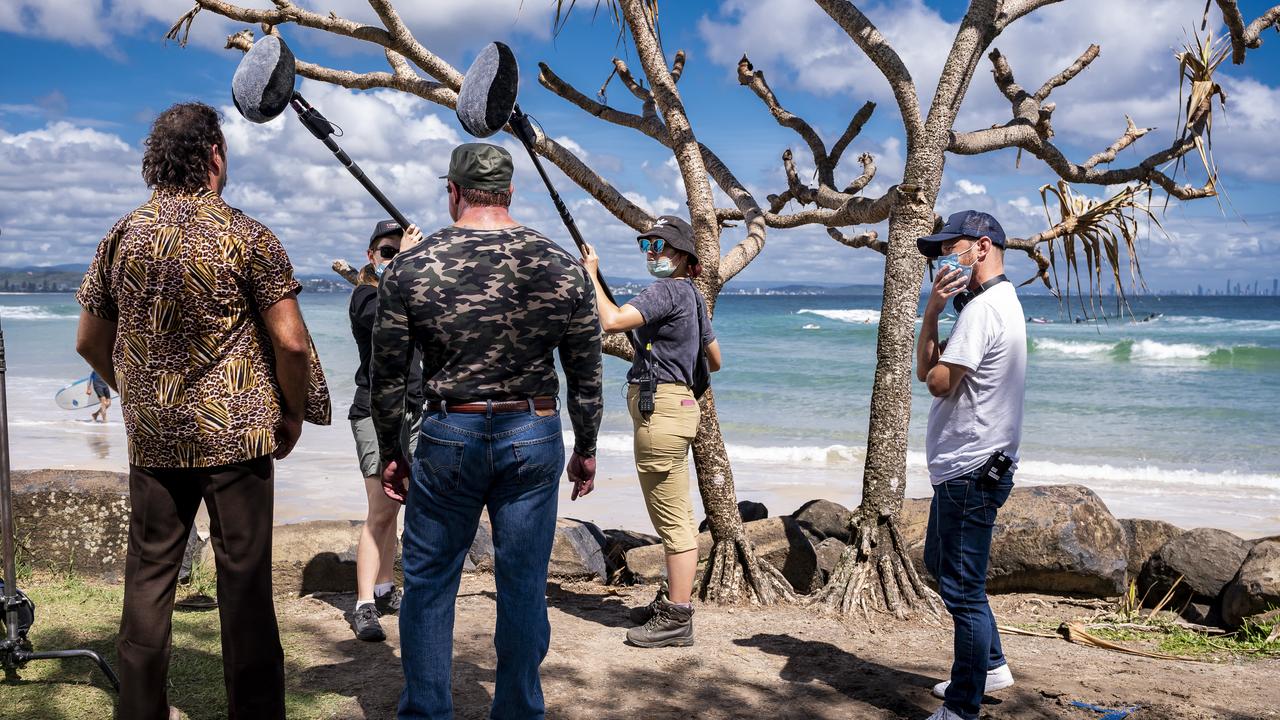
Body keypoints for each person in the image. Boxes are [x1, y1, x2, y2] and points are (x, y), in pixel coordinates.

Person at [75, 102, 325, 720]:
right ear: (215, 156)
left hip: (157, 438)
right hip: (238, 440)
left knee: (150, 580)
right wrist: (290, 414)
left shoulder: (123, 235)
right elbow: (290, 341)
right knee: (244, 587)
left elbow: (87, 339)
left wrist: (134, 393)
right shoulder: (247, 235)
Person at [371, 142, 602, 719]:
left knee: (428, 580)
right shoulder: (560, 263)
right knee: (523, 582)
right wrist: (587, 446)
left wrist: (392, 452)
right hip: (535, 429)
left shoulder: (409, 266)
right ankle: (520, 710)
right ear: (509, 194)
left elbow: (389, 376)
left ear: (453, 191)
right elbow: (585, 371)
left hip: (451, 430)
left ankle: (428, 711)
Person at [580, 215, 721, 648]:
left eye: (662, 247)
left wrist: (590, 277)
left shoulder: (666, 289)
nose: (654, 253)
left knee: (673, 519)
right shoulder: (692, 296)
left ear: (684, 258)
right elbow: (713, 360)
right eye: (648, 246)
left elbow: (612, 321)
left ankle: (678, 617)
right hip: (677, 407)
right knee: (672, 512)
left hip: (660, 410)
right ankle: (673, 603)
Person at [914, 210, 1026, 720]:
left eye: (950, 247)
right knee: (943, 566)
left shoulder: (983, 311)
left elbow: (938, 383)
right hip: (971, 464)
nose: (942, 257)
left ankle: (963, 707)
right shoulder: (992, 303)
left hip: (972, 467)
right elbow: (927, 371)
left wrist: (936, 310)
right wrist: (935, 313)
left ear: (981, 247)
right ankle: (993, 665)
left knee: (962, 589)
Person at [347, 219, 425, 642]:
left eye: (400, 251)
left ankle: (384, 588)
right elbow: (385, 322)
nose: (393, 258)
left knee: (400, 507)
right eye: (387, 252)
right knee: (380, 510)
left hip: (415, 410)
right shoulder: (365, 297)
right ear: (371, 256)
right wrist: (407, 263)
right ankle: (362, 605)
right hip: (374, 413)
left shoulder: (410, 296)